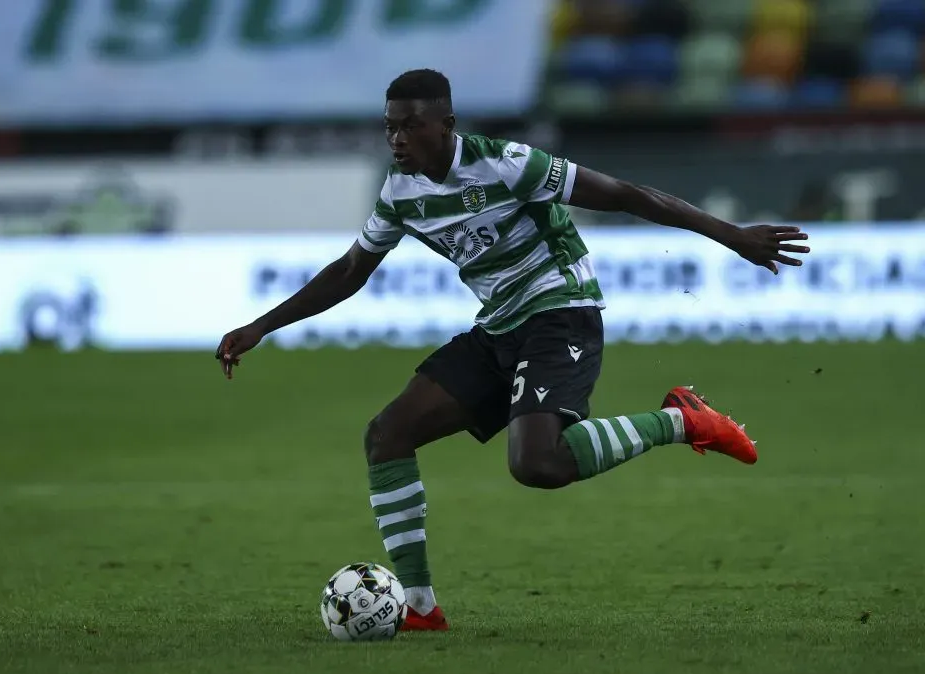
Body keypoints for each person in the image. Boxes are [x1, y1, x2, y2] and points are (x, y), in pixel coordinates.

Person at [215, 69, 810, 632]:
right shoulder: (399, 193)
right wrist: (263, 325)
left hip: (560, 312)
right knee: (387, 436)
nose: (397, 138)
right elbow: (351, 269)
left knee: (537, 465)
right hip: (499, 326)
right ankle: (420, 607)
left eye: (411, 125)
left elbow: (627, 195)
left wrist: (733, 235)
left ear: (446, 124)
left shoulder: (506, 164)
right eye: (390, 127)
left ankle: (680, 420)